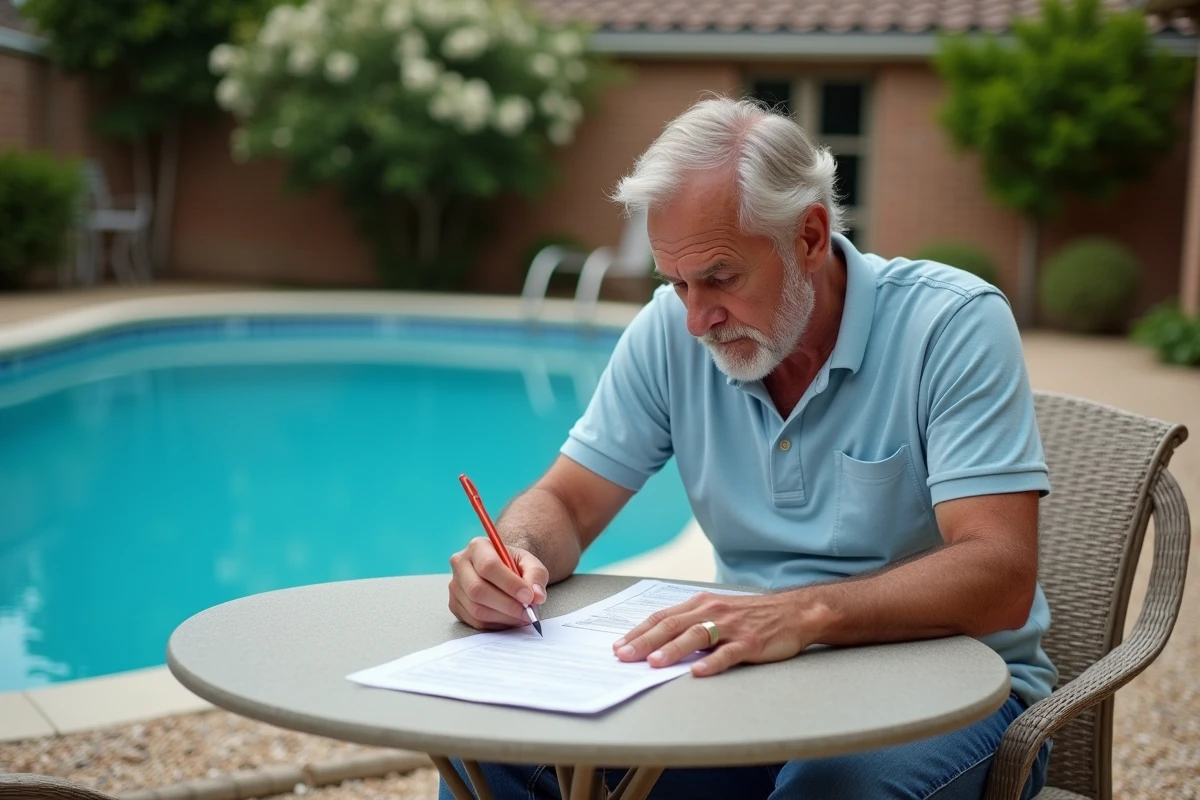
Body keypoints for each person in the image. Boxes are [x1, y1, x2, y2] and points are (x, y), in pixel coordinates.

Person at [442, 96, 1056, 800]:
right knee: (493, 750)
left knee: (831, 789)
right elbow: (569, 503)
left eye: (721, 278)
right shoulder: (669, 334)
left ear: (809, 237)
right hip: (745, 678)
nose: (697, 319)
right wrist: (512, 554)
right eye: (676, 283)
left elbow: (1000, 573)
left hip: (950, 684)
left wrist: (800, 614)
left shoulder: (951, 326)